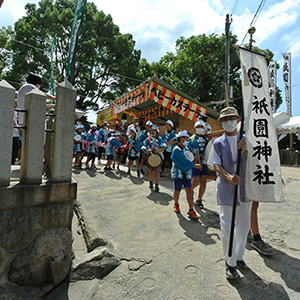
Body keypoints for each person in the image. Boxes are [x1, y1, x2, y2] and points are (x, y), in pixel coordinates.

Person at [207, 107, 251, 280]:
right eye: (225, 119)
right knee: (226, 226)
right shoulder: (217, 142)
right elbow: (215, 164)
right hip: (226, 189)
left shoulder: (247, 140)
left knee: (243, 226)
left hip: (245, 189)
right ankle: (229, 262)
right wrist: (228, 176)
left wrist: (246, 151)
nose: (229, 122)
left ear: (238, 120)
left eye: (231, 118)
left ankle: (239, 257)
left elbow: (258, 161)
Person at [171, 130, 202, 220]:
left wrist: (194, 159)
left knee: (189, 191)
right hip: (178, 173)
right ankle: (176, 204)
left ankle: (191, 210)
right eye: (186, 138)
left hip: (187, 173)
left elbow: (189, 158)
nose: (187, 140)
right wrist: (194, 165)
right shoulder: (176, 149)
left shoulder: (186, 149)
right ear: (181, 138)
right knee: (177, 190)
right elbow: (184, 160)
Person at [187, 120, 208, 209]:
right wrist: (192, 158)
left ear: (204, 128)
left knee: (203, 180)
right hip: (195, 162)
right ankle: (190, 190)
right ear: (195, 128)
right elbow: (187, 151)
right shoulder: (191, 139)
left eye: (201, 127)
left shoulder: (206, 139)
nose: (200, 128)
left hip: (204, 161)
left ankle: (199, 199)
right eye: (198, 127)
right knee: (195, 180)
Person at [142, 125, 166, 192]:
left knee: (157, 171)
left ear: (156, 131)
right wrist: (147, 150)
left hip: (157, 157)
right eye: (151, 130)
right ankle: (151, 182)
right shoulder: (148, 139)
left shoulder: (159, 139)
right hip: (150, 157)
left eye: (154, 130)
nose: (153, 132)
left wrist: (157, 150)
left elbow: (163, 147)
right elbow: (144, 146)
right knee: (150, 170)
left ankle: (157, 184)